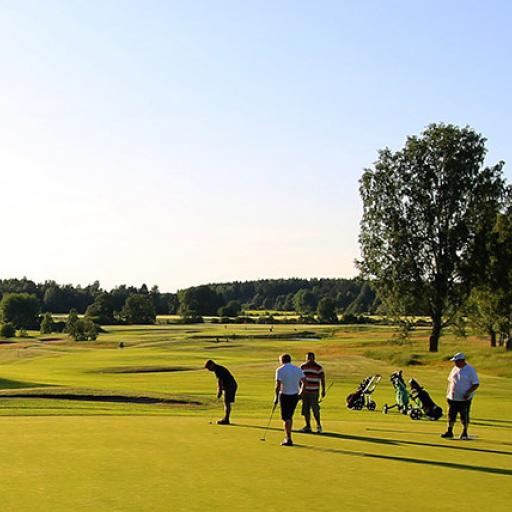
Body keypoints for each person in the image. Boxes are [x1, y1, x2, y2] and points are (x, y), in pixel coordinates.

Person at [441, 352, 479, 440]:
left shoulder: (470, 370)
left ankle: (464, 432)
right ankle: (449, 431)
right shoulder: (454, 369)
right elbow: (451, 381)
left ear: (462, 361)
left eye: (457, 361)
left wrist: (468, 393)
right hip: (452, 397)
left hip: (464, 399)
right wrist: (448, 394)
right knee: (451, 415)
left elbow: (475, 384)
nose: (455, 363)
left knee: (464, 416)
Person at [275, 353, 306, 446]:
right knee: (289, 416)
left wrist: (276, 397)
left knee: (286, 418)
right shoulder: (297, 369)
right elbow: (304, 382)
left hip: (284, 395)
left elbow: (278, 385)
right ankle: (288, 436)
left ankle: (288, 439)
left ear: (282, 360)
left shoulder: (280, 370)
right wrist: (301, 392)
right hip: (295, 395)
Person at [299, 352, 326, 433]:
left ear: (314, 358)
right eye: (307, 358)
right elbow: (299, 379)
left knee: (315, 409)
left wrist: (323, 390)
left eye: (310, 358)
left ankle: (318, 426)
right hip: (305, 391)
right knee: (305, 409)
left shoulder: (318, 367)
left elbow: (322, 379)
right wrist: (300, 390)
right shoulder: (302, 367)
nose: (309, 360)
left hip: (314, 391)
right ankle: (308, 426)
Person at [205, 359, 238, 425]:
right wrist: (220, 390)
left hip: (230, 386)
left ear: (212, 365)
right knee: (226, 402)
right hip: (229, 385)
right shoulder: (218, 368)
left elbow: (220, 381)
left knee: (226, 402)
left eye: (209, 368)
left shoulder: (218, 370)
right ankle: (226, 419)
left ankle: (226, 419)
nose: (209, 370)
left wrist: (219, 391)